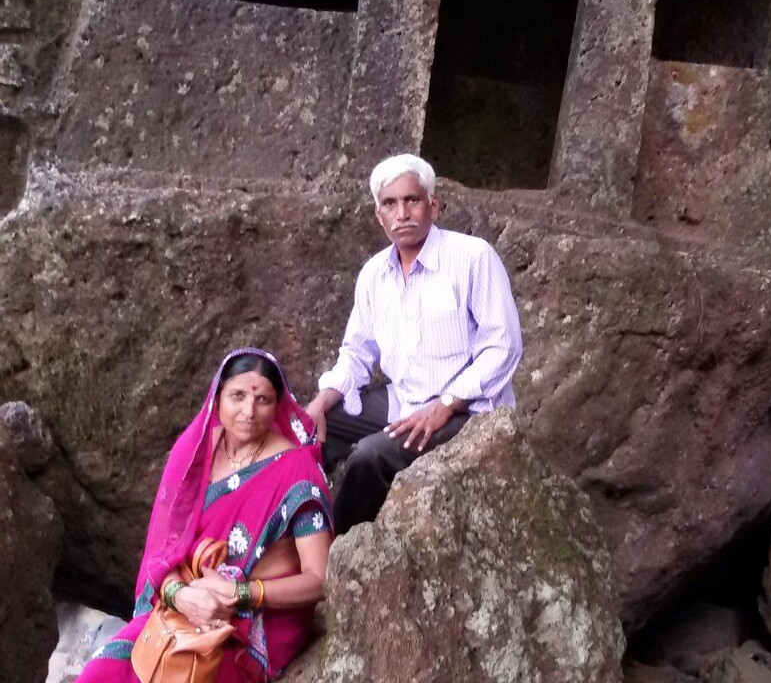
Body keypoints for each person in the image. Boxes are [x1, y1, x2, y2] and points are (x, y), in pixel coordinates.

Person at [77, 347, 333, 683]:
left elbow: (320, 579)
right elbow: (163, 551)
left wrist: (242, 594)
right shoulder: (195, 451)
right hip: (182, 604)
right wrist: (180, 595)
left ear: (277, 405)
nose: (248, 411)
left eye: (263, 400)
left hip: (252, 625)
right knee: (103, 672)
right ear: (218, 396)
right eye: (237, 396)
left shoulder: (297, 472)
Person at [306, 153, 522, 534]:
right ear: (379, 216)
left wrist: (446, 404)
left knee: (369, 457)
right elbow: (357, 352)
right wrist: (325, 398)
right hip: (403, 400)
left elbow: (503, 347)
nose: (402, 213)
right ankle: (290, 539)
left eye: (412, 200)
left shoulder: (473, 258)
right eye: (390, 203)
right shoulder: (375, 273)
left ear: (433, 205)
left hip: (465, 413)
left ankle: (333, 561)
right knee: (305, 430)